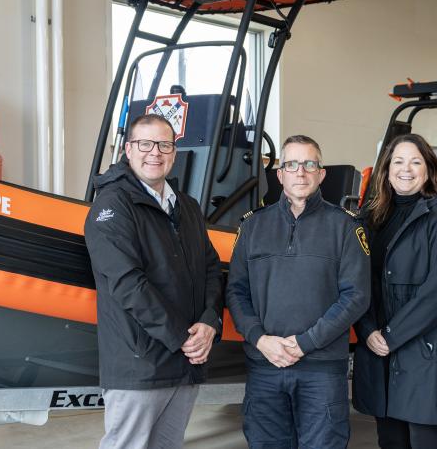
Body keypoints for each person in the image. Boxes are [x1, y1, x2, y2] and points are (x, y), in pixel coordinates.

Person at [84, 114, 223, 449]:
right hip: (141, 364)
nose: (155, 153)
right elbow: (128, 284)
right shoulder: (112, 206)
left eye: (164, 145)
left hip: (184, 361)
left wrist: (209, 322)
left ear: (175, 153)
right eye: (145, 144)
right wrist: (183, 338)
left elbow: (210, 268)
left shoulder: (186, 207)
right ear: (128, 150)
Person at [226, 134, 370, 449]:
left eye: (309, 164)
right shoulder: (252, 227)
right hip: (265, 366)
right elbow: (236, 291)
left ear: (321, 173)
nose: (300, 172)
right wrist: (260, 339)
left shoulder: (345, 227)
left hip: (322, 370)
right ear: (280, 175)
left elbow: (356, 296)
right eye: (291, 164)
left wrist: (305, 343)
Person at [351, 133, 437, 449]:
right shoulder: (369, 218)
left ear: (428, 170)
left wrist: (390, 335)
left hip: (423, 350)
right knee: (390, 440)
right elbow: (355, 284)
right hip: (377, 348)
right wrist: (369, 330)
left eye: (415, 162)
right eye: (398, 161)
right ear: (386, 170)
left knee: (424, 439)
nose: (406, 169)